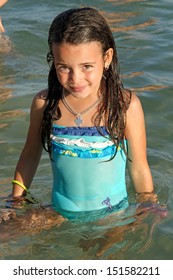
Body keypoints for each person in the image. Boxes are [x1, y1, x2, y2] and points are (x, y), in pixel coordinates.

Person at [5, 7, 159, 225]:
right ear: (53, 61)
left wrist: (147, 204)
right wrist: (15, 200)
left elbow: (139, 167)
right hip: (58, 213)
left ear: (107, 58)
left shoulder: (124, 106)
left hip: (112, 217)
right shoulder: (46, 104)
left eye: (87, 66)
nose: (76, 79)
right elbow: (30, 156)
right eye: (64, 67)